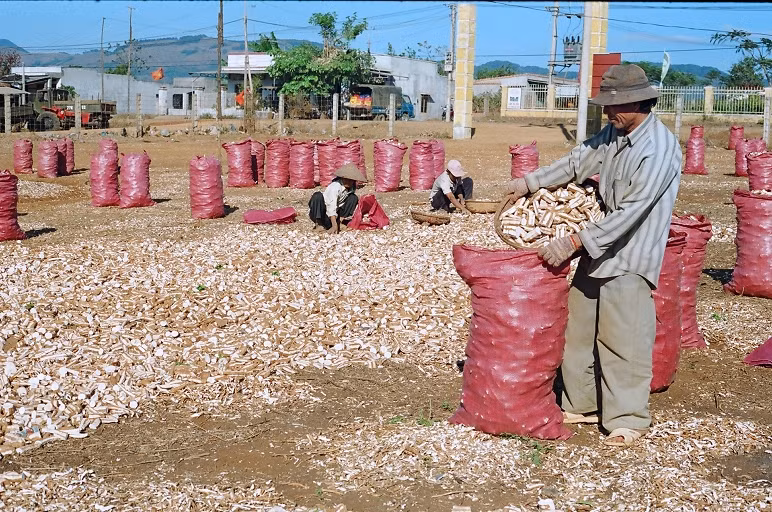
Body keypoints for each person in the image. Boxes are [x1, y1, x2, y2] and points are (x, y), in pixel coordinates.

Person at [507, 64, 682, 447]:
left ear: (639, 102)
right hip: (597, 251)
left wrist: (573, 242)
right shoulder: (615, 135)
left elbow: (632, 211)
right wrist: (529, 182)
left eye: (613, 106)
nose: (607, 113)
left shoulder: (659, 148)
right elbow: (577, 161)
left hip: (631, 253)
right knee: (579, 330)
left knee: (624, 338)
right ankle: (581, 403)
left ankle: (628, 417)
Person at [308, 164, 363, 233]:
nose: (348, 182)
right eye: (346, 179)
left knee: (353, 198)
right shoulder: (335, 187)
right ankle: (319, 224)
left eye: (351, 180)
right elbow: (331, 205)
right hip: (323, 213)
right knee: (317, 196)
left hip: (336, 216)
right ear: (342, 178)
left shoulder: (350, 189)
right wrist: (334, 225)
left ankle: (340, 222)